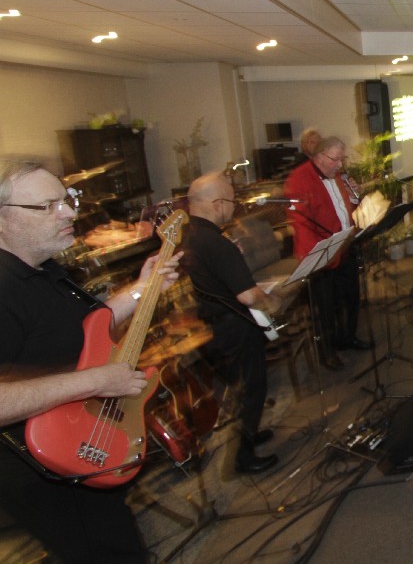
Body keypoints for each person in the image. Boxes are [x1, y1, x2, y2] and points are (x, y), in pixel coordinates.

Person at [0, 156, 182, 562]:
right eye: (46, 206)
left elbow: (88, 329)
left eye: (66, 200)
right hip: (43, 467)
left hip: (81, 439)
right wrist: (97, 381)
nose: (69, 213)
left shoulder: (44, 268)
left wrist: (143, 288)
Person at [180, 173, 278, 474]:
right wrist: (272, 299)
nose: (234, 208)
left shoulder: (190, 235)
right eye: (232, 201)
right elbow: (247, 296)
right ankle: (243, 457)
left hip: (215, 325)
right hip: (234, 326)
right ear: (217, 203)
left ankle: (251, 433)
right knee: (252, 388)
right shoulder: (217, 243)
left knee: (242, 387)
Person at [284, 136, 367, 371]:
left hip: (344, 244)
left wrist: (354, 196)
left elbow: (343, 207)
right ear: (319, 156)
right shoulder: (299, 179)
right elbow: (301, 222)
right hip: (321, 252)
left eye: (342, 159)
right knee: (325, 307)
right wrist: (319, 255)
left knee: (350, 297)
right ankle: (327, 352)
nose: (340, 164)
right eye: (335, 159)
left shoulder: (335, 174)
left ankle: (347, 338)